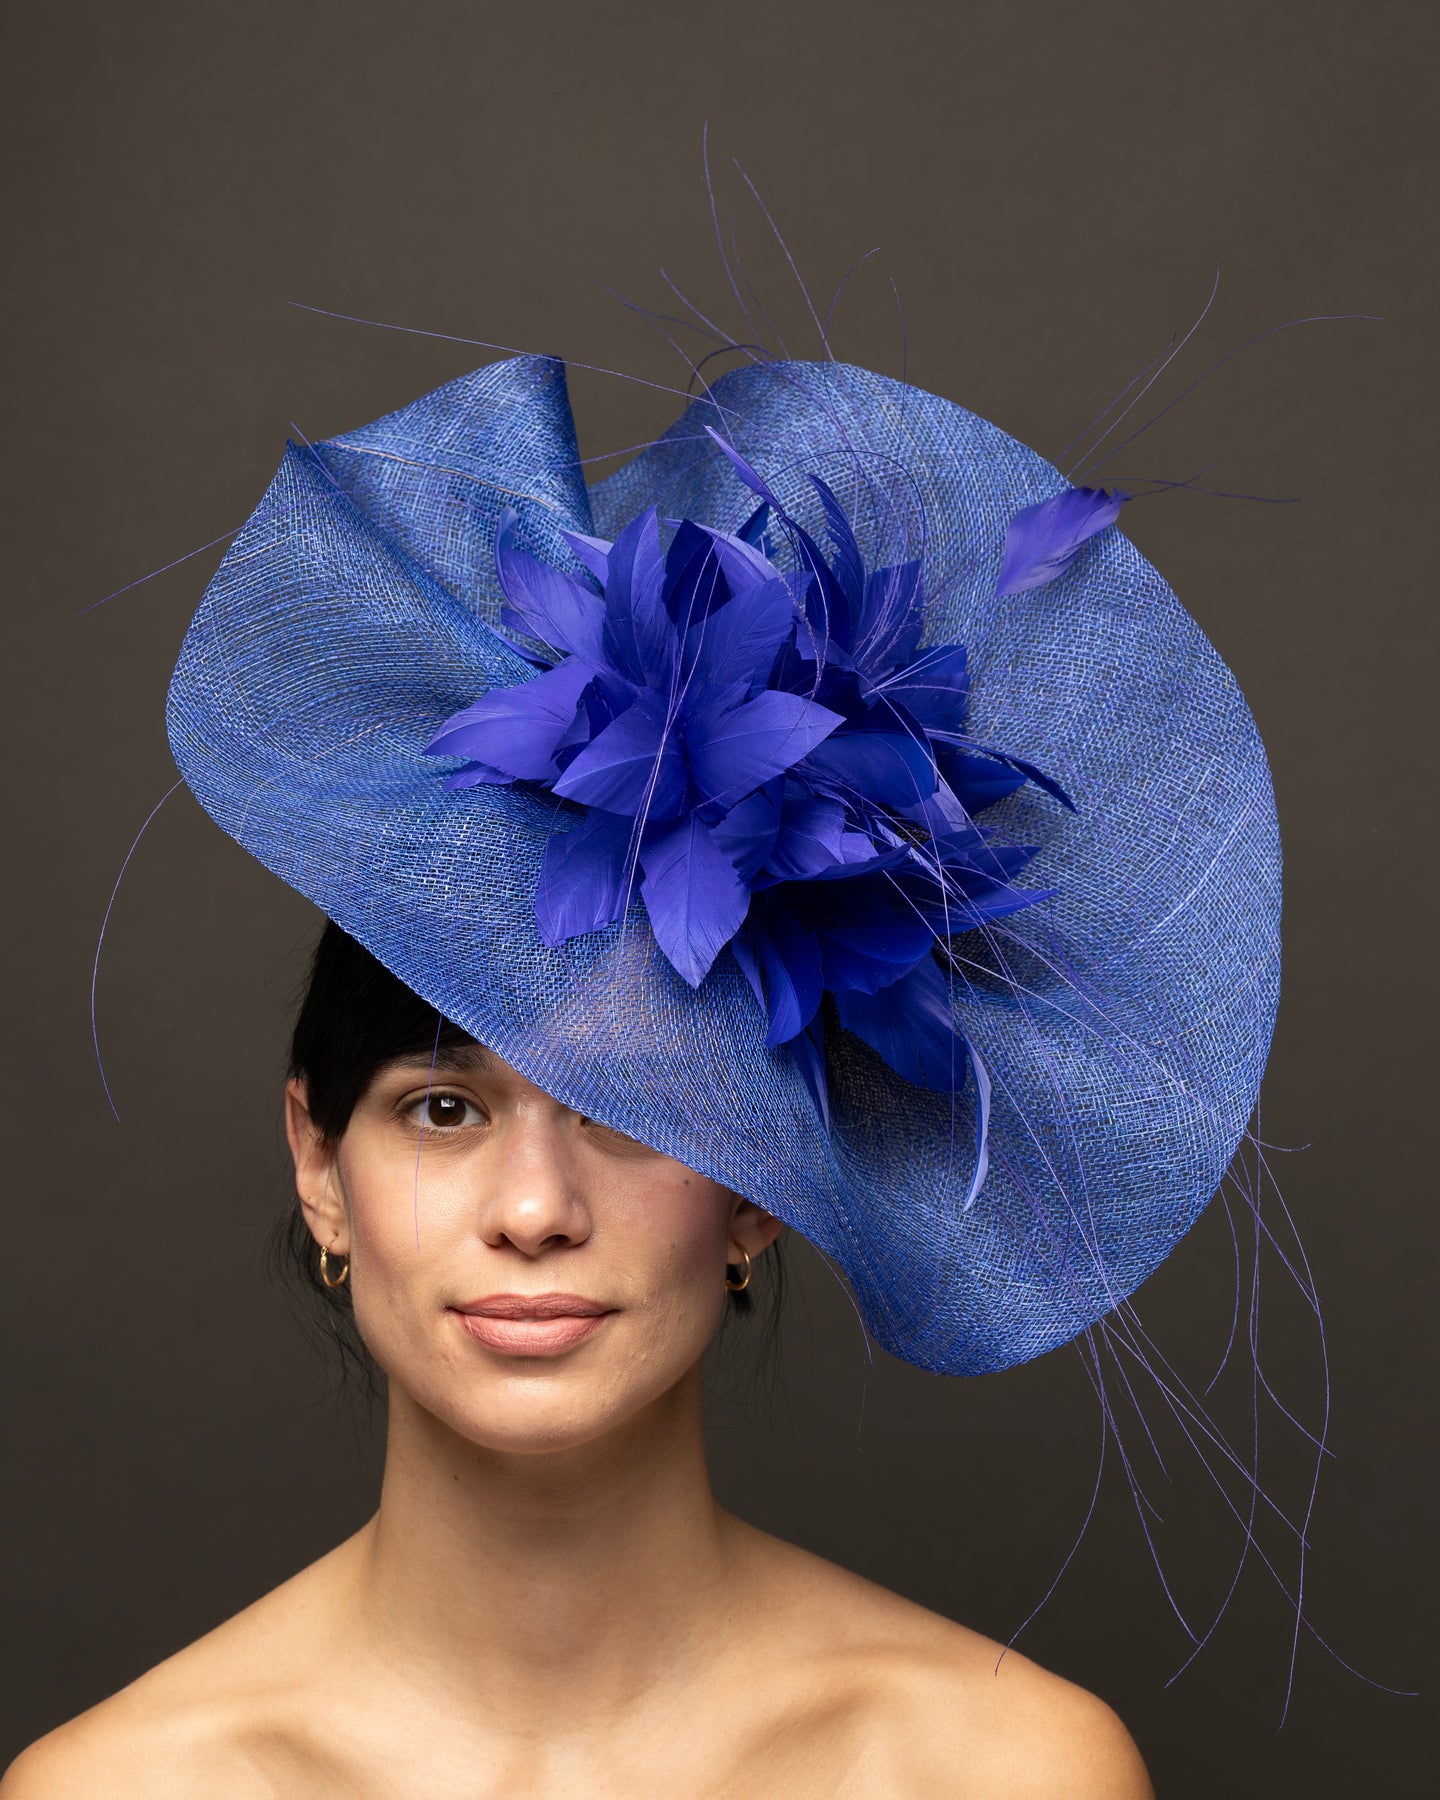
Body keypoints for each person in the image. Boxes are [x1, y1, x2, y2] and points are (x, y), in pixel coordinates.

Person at [7, 341, 1271, 1796]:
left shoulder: (996, 1770)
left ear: (762, 1188)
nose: (534, 1210)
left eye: (630, 1110)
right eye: (441, 1109)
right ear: (319, 1165)